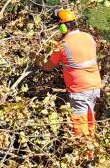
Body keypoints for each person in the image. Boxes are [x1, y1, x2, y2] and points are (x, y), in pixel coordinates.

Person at [41, 8, 102, 139]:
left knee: (79, 123)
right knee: (90, 118)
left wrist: (38, 63)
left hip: (79, 89)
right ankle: (91, 147)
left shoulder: (63, 45)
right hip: (95, 86)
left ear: (63, 27)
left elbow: (48, 67)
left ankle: (84, 153)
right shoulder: (88, 37)